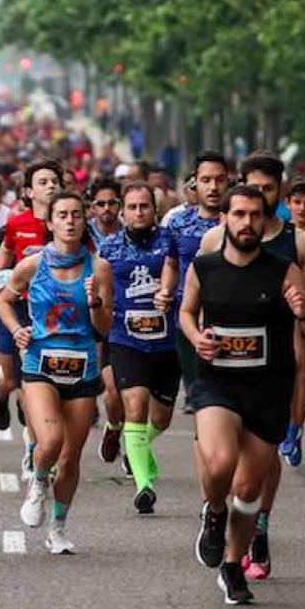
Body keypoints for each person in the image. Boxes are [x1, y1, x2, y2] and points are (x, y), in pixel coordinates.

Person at [181, 185, 305, 604]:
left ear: (265, 221)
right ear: (224, 219)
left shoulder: (282, 270)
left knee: (248, 491)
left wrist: (302, 310)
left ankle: (232, 564)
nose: (246, 223)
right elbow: (186, 313)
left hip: (267, 388)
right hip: (217, 383)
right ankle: (214, 512)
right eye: (238, 214)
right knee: (221, 461)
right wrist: (196, 338)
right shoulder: (204, 267)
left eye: (254, 215)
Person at [0, 190, 113, 554]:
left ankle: (58, 527)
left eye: (77, 214)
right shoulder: (32, 264)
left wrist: (95, 302)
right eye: (62, 214)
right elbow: (4, 299)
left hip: (82, 367)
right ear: (50, 223)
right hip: (39, 362)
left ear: (84, 220)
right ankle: (38, 481)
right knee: (50, 443)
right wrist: (17, 329)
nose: (70, 220)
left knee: (71, 456)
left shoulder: (100, 267)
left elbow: (104, 328)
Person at [101, 183, 180, 513]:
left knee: (161, 419)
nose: (138, 212)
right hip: (125, 338)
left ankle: (133, 444)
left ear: (154, 210)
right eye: (132, 207)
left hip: (166, 341)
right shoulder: (107, 248)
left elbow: (176, 274)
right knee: (135, 405)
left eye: (144, 206)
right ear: (122, 211)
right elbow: (98, 289)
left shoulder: (169, 242)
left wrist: (168, 293)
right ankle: (143, 485)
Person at [0, 160, 64, 480]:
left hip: (50, 313)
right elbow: (6, 252)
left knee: (32, 380)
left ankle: (33, 449)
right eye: (43, 182)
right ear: (29, 191)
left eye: (54, 181)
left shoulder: (69, 223)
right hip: (14, 309)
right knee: (10, 379)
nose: (50, 186)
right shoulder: (16, 222)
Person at [165, 154, 229, 482]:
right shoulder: (177, 222)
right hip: (187, 322)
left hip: (234, 321)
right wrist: (164, 293)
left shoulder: (240, 220)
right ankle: (212, 470)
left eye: (220, 179)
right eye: (206, 180)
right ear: (194, 183)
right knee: (202, 398)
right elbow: (170, 263)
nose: (213, 187)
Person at [85, 177, 128, 465]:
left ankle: (115, 429)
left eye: (113, 202)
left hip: (121, 318)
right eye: (101, 203)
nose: (107, 208)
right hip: (87, 313)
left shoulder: (131, 235)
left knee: (116, 391)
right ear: (92, 207)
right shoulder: (82, 235)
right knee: (101, 383)